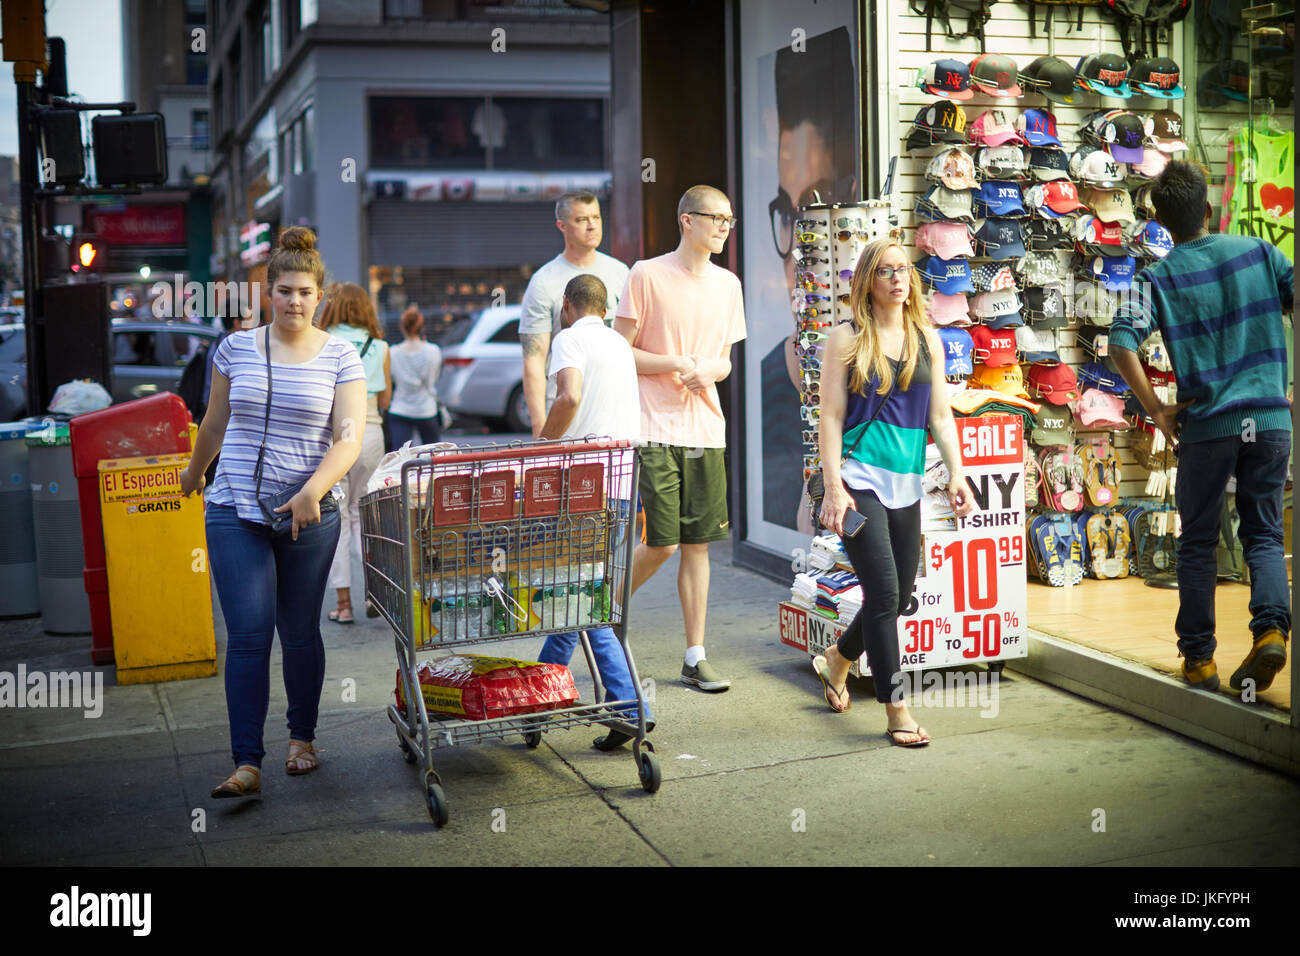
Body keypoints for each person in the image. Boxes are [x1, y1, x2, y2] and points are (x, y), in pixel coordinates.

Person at [179, 227, 367, 798]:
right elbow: (214, 422)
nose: (294, 301)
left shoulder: (342, 354)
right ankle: (246, 762)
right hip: (234, 504)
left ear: (320, 295)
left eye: (305, 292)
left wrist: (313, 492)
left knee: (300, 630)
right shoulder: (235, 348)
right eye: (284, 290)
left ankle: (302, 739)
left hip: (309, 512)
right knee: (249, 634)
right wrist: (193, 473)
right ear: (268, 291)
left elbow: (350, 437)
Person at [1108, 160, 1294, 693]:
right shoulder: (1258, 252)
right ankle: (1270, 632)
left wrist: (1156, 410)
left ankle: (1200, 661)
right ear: (1208, 210)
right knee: (1263, 531)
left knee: (1196, 542)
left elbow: (1121, 340)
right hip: (1270, 418)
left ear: (1162, 224)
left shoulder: (1158, 276)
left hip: (1209, 427)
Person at [812, 238, 975, 746]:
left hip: (906, 484)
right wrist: (834, 487)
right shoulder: (846, 338)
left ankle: (838, 659)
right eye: (885, 271)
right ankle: (896, 707)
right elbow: (831, 418)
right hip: (859, 483)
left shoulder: (927, 337)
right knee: (883, 593)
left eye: (903, 269)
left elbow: (941, 418)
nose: (898, 278)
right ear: (867, 279)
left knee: (900, 597)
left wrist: (958, 473)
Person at [614, 185, 747, 692]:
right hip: (652, 429)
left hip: (706, 430)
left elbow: (725, 360)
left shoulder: (728, 284)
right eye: (714, 218)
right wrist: (674, 363)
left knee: (698, 545)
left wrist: (707, 369)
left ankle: (695, 656)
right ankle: (604, 606)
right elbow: (620, 350)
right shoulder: (646, 273)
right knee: (663, 543)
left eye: (728, 220)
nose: (722, 227)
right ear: (686, 220)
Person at [535, 274, 651, 749]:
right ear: (605, 306)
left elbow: (570, 397)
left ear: (567, 304)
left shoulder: (568, 338)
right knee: (582, 590)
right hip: (624, 481)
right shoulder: (620, 345)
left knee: (584, 597)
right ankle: (535, 692)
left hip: (583, 486)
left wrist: (541, 446)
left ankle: (628, 705)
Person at [519, 190, 630, 437]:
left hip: (612, 405)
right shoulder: (543, 282)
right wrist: (540, 426)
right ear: (562, 226)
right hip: (565, 407)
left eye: (596, 217)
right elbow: (534, 361)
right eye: (581, 220)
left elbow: (633, 342)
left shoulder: (621, 273)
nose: (592, 226)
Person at [319, 282, 392, 625]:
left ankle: (344, 604)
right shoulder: (380, 346)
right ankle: (373, 595)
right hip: (371, 433)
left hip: (333, 437)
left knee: (339, 518)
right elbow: (386, 400)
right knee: (367, 516)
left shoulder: (322, 343)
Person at [387, 304, 443, 448]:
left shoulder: (393, 353)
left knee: (400, 458)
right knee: (433, 459)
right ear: (422, 327)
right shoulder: (433, 351)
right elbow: (434, 378)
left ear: (402, 327)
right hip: (427, 409)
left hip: (400, 408)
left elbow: (392, 379)